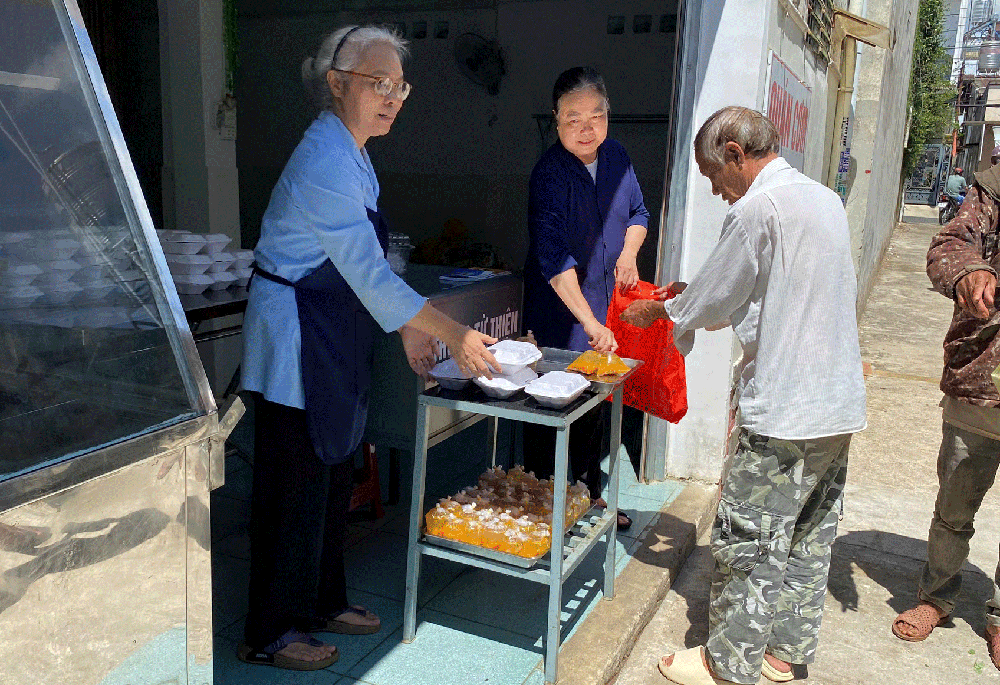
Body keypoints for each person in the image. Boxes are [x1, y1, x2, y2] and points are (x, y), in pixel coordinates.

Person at [239, 25, 500, 671]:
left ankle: (323, 601)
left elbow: (367, 266)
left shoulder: (350, 150)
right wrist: (452, 332)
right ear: (336, 84)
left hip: (332, 333)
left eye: (399, 87)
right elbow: (367, 270)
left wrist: (413, 325)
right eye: (377, 84)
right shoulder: (325, 157)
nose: (392, 98)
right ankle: (270, 630)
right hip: (298, 341)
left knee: (331, 481)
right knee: (293, 489)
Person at [621, 106, 867, 685]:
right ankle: (785, 654)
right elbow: (763, 287)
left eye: (714, 175)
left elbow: (712, 299)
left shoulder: (759, 206)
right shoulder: (822, 199)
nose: (715, 190)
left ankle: (727, 662)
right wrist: (698, 295)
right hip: (835, 404)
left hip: (783, 405)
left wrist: (659, 308)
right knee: (807, 534)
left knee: (750, 539)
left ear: (735, 153)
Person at [521, 66, 651, 530]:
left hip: (604, 308)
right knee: (550, 408)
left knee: (594, 406)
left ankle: (589, 496)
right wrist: (590, 324)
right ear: (556, 120)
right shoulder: (549, 176)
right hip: (561, 314)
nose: (586, 128)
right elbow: (555, 262)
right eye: (573, 118)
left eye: (596, 115)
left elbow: (638, 211)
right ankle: (540, 505)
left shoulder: (616, 157)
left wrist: (630, 254)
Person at [890, 157, 1000, 669]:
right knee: (955, 504)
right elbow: (949, 246)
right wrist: (971, 271)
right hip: (981, 377)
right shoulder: (993, 187)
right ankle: (936, 596)